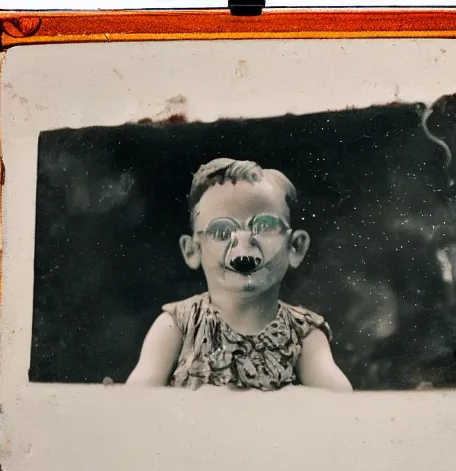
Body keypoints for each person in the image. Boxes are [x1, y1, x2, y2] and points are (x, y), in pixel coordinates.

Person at [127, 158, 353, 393]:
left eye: (264, 227)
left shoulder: (304, 334)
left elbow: (340, 402)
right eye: (222, 231)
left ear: (295, 247)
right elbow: (136, 400)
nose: (243, 246)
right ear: (192, 250)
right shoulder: (176, 326)